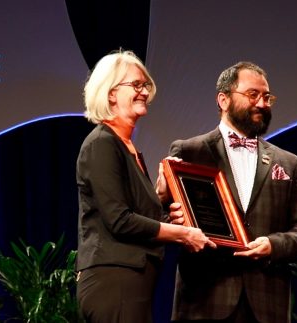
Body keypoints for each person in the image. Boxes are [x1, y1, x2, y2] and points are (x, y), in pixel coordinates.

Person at [166, 61, 297, 323]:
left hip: (265, 305)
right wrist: (174, 220)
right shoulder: (189, 152)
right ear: (223, 100)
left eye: (266, 97)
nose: (262, 103)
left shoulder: (288, 163)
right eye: (253, 95)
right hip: (204, 303)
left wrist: (273, 244)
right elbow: (160, 219)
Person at [75, 50, 216, 323]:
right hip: (113, 279)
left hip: (132, 280)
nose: (143, 92)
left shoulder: (128, 149)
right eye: (135, 85)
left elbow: (134, 215)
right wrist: (182, 234)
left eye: (145, 85)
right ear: (111, 93)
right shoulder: (102, 144)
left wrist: (161, 199)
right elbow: (120, 221)